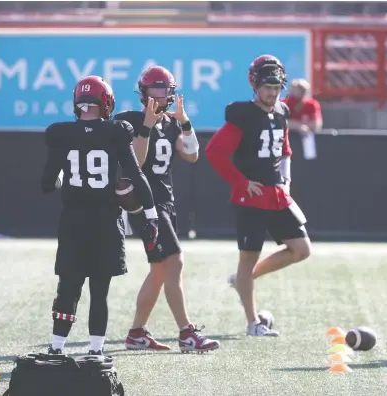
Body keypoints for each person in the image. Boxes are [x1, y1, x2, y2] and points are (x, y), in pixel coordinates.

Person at [41, 75, 159, 356]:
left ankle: (57, 348)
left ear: (77, 104)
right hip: (106, 222)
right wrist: (151, 216)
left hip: (73, 222)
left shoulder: (60, 133)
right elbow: (137, 175)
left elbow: (47, 184)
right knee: (99, 291)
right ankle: (96, 352)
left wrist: (61, 177)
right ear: (105, 103)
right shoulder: (117, 131)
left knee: (68, 286)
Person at [114, 65, 219, 353]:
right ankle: (186, 333)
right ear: (143, 92)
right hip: (146, 203)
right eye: (154, 89)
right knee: (175, 261)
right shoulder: (131, 120)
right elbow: (135, 161)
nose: (159, 96)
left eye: (164, 90)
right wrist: (146, 125)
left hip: (166, 202)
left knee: (160, 270)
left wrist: (185, 123)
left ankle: (136, 333)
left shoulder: (172, 123)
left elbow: (192, 155)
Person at [205, 55, 312, 337]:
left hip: (277, 194)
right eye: (267, 87)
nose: (273, 93)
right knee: (247, 259)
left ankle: (244, 281)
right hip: (250, 197)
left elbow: (285, 149)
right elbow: (214, 151)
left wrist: (286, 181)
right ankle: (253, 323)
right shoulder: (243, 114)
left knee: (301, 249)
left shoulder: (282, 112)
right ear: (255, 85)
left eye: (277, 87)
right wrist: (240, 182)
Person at [283, 79, 322, 159]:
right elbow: (281, 122)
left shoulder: (312, 104)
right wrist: (298, 126)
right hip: (287, 141)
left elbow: (316, 124)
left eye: (302, 88)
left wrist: (303, 127)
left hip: (306, 141)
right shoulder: (285, 103)